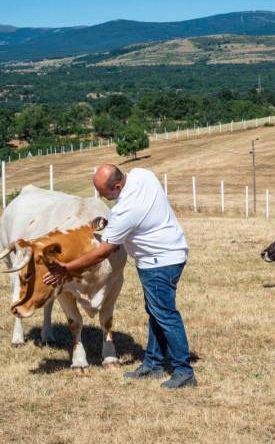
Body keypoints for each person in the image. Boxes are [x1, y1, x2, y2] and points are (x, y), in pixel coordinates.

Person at [43, 164, 196, 389]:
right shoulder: (143, 175)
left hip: (157, 262)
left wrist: (67, 267)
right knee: (156, 312)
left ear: (117, 186)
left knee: (165, 314)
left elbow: (105, 250)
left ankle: (183, 370)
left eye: (104, 194)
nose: (102, 198)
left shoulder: (125, 211)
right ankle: (153, 364)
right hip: (174, 252)